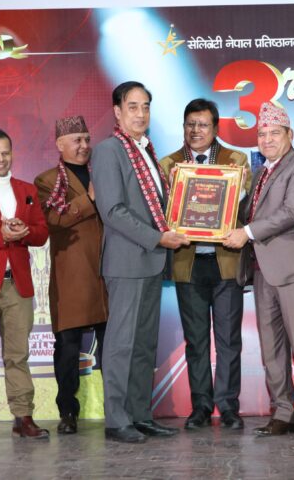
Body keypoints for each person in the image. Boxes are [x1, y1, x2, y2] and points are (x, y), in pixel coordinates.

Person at [91, 81, 190, 443]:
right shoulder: (108, 151)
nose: (141, 113)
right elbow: (113, 211)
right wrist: (157, 238)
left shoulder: (146, 150)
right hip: (127, 262)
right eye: (132, 106)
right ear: (117, 112)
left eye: (146, 106)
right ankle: (116, 420)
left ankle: (140, 415)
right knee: (121, 344)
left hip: (151, 261)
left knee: (144, 344)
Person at [224, 102, 294, 439]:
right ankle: (283, 412)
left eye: (274, 133)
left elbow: (293, 211)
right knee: (272, 348)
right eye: (262, 134)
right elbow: (247, 212)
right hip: (262, 271)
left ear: (289, 135)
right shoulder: (259, 173)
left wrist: (247, 232)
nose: (267, 139)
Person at [160, 98, 251, 430]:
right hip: (188, 264)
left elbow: (242, 204)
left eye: (202, 125)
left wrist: (235, 187)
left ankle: (227, 406)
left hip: (225, 262)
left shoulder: (235, 160)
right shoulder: (168, 164)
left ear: (215, 128)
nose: (195, 130)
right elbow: (161, 212)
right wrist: (171, 189)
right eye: (190, 124)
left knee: (228, 339)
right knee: (196, 340)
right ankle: (200, 406)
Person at [0, 129, 49, 441]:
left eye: (5, 153)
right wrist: (0, 235)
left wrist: (23, 230)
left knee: (18, 353)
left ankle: (23, 417)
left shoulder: (26, 190)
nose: (1, 159)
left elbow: (41, 233)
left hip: (18, 284)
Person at [34, 116, 108, 435]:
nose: (84, 145)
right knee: (67, 347)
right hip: (72, 276)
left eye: (87, 139)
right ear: (59, 144)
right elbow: (54, 220)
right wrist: (89, 198)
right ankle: (67, 411)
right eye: (77, 140)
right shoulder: (47, 180)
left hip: (108, 273)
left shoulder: (103, 172)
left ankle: (118, 408)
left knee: (112, 346)